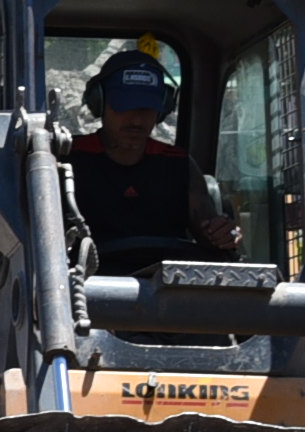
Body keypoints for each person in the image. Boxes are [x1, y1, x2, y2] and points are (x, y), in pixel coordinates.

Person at [67, 48, 241, 275]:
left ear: (162, 109)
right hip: (86, 287)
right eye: (125, 107)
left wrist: (225, 234)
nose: (137, 120)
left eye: (147, 108)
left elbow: (209, 230)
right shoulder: (68, 159)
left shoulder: (179, 164)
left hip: (168, 292)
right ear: (99, 102)